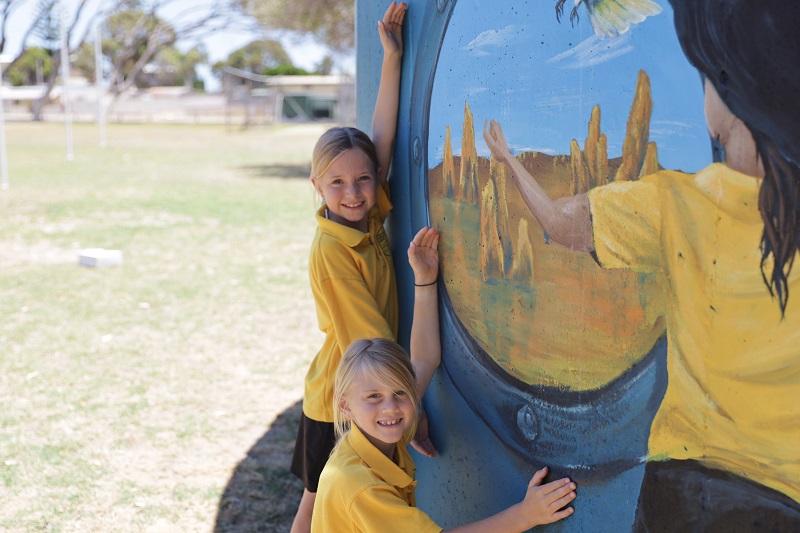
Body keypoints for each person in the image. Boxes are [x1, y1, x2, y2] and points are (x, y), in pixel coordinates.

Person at [482, 0, 800, 529]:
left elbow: (560, 225)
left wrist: (510, 160)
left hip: (690, 490)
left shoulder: (679, 206)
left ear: (726, 84)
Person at [311, 227, 577, 532]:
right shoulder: (359, 486)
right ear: (344, 406)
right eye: (373, 397)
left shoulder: (382, 426)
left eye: (400, 392)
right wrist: (526, 515)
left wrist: (424, 280)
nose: (390, 407)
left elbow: (423, 359)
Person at [289, 3, 414, 531]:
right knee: (315, 506)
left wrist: (392, 59)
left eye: (363, 180)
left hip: (360, 387)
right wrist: (412, 402)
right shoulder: (335, 250)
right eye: (336, 183)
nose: (354, 192)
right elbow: (370, 337)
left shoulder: (366, 217)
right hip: (341, 397)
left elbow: (379, 142)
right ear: (317, 187)